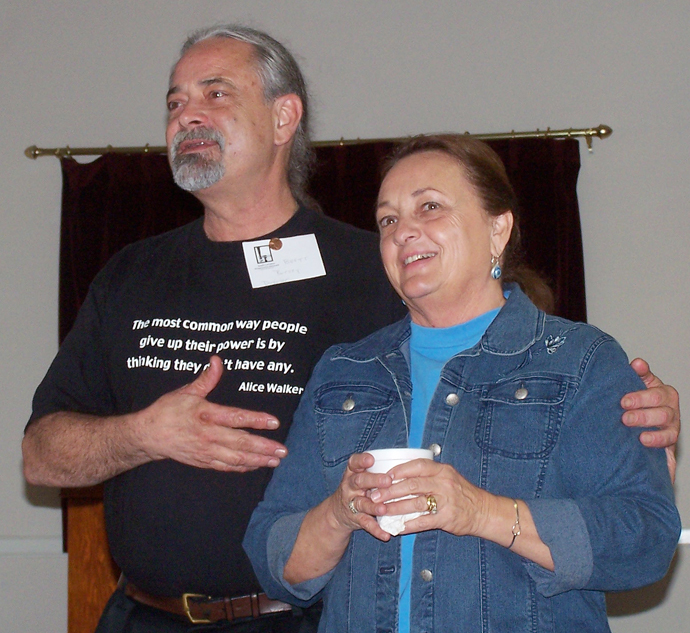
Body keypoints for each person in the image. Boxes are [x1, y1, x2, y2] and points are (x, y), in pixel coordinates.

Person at [21, 24, 679, 633]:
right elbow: (39, 454)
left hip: (299, 618)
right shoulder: (131, 274)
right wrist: (143, 432)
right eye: (174, 101)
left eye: (215, 93)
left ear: (285, 117)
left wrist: (640, 414)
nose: (186, 114)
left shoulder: (382, 270)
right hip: (143, 613)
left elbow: (522, 364)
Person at [244, 135, 681, 633]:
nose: (403, 232)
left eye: (429, 207)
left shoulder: (581, 361)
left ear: (498, 229)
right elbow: (273, 559)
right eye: (388, 220)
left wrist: (480, 512)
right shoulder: (344, 370)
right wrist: (338, 515)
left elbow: (646, 538)